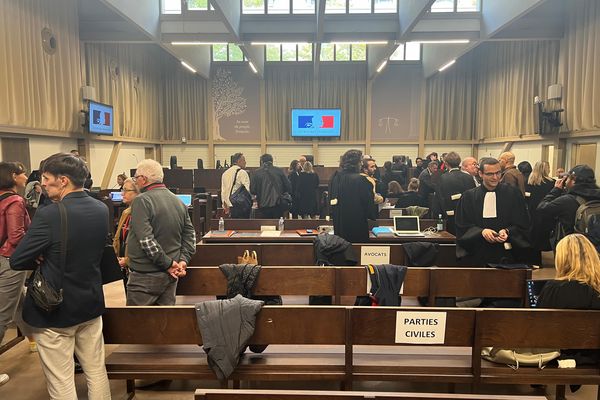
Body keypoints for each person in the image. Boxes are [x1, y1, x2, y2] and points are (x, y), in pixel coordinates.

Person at [10, 153, 111, 399]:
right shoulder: (101, 208)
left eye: (46, 178)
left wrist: (40, 254)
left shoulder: (50, 214)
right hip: (90, 301)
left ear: (63, 180)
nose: (42, 183)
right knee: (96, 371)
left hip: (55, 308)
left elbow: (17, 259)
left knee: (61, 379)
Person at [126, 159, 196, 306]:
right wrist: (182, 261)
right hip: (171, 275)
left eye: (136, 178)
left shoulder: (141, 201)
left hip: (145, 276)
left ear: (143, 179)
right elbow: (190, 236)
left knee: (137, 325)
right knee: (165, 324)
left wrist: (168, 264)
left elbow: (147, 241)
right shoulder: (177, 201)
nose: (135, 182)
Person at [537, 234, 600, 366]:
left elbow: (539, 325)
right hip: (595, 356)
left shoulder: (553, 289)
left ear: (562, 259)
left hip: (559, 353)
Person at [455, 157, 530, 265]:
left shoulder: (513, 194)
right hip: (478, 253)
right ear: (480, 174)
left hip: (507, 253)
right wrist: (481, 232)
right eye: (490, 174)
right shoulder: (469, 197)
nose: (495, 177)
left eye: (498, 173)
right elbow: (462, 225)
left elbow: (523, 222)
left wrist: (508, 231)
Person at [0, 162, 32, 386]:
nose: (26, 176)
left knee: (20, 301)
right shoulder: (16, 201)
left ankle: (34, 339)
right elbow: (17, 237)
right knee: (3, 314)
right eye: (22, 172)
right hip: (11, 260)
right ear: (13, 176)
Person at [537, 164, 600, 247]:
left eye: (567, 178)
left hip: (571, 248)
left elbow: (541, 208)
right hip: (593, 248)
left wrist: (556, 190)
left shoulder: (566, 200)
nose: (565, 181)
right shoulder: (597, 197)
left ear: (573, 180)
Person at [329, 149, 376, 243]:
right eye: (361, 162)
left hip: (339, 224)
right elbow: (369, 206)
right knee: (357, 252)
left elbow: (331, 201)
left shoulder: (335, 178)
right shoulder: (362, 180)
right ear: (357, 163)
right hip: (357, 225)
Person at [437, 152, 476, 234]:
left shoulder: (443, 178)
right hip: (467, 217)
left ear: (446, 164)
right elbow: (473, 197)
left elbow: (440, 199)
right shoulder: (468, 177)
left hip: (450, 218)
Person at [112, 178, 140, 293]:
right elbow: (119, 238)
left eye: (126, 190)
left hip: (135, 266)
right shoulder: (125, 212)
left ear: (137, 192)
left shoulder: (141, 214)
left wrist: (128, 260)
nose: (122, 193)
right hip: (123, 264)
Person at [525, 161, 555, 256]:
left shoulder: (529, 182)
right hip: (547, 212)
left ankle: (535, 259)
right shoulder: (552, 183)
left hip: (533, 212)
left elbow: (526, 198)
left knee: (534, 235)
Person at [250, 154, 292, 219]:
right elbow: (288, 187)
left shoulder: (256, 173)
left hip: (263, 206)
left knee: (265, 226)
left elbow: (253, 190)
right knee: (278, 226)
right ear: (272, 161)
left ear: (261, 161)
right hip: (278, 205)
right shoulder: (279, 171)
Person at [220, 153, 251, 218]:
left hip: (228, 206)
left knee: (232, 226)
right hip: (239, 205)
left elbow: (223, 191)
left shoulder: (225, 173)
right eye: (244, 160)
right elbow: (248, 189)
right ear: (239, 161)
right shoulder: (242, 172)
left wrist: (224, 205)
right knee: (242, 226)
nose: (245, 162)